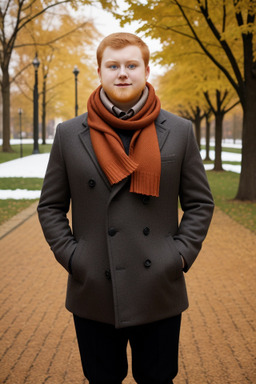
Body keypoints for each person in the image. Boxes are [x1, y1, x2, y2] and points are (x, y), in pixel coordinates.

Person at [38, 32, 214, 384]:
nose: (123, 73)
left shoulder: (179, 131)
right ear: (99, 71)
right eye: (113, 65)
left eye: (132, 65)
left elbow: (199, 202)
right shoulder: (69, 134)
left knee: (158, 377)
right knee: (102, 378)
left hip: (158, 286)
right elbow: (50, 206)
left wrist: (177, 255)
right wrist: (75, 257)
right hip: (95, 286)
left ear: (146, 71)